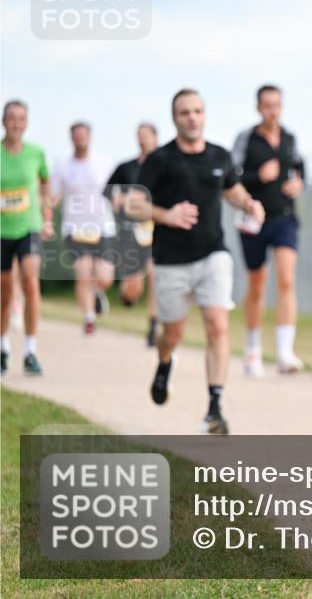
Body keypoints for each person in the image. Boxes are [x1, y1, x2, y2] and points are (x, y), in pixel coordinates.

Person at [131, 88, 264, 435]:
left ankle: (215, 407)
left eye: (197, 111)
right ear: (175, 119)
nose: (192, 117)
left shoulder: (219, 156)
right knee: (172, 334)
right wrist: (166, 213)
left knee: (217, 324)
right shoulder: (160, 160)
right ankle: (164, 364)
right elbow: (133, 205)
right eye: (185, 112)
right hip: (171, 260)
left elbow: (231, 190)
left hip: (213, 254)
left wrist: (249, 204)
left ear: (204, 115)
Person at [231, 85, 306, 377]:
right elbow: (232, 176)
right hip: (254, 220)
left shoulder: (289, 139)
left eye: (277, 105)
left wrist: (299, 184)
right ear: (258, 107)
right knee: (258, 284)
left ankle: (285, 353)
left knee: (286, 278)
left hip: (285, 218)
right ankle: (253, 350)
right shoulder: (246, 139)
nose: (272, 111)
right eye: (267, 106)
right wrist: (257, 176)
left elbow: (300, 168)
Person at [0, 100, 53, 375]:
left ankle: (31, 350)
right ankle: (3, 345)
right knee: (5, 292)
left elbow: (45, 183)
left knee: (31, 281)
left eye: (21, 118)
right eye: (11, 118)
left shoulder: (36, 153)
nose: (16, 123)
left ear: (27, 122)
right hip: (1, 230)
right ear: (3, 121)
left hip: (29, 226)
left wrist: (47, 217)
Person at [50, 122, 117, 335]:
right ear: (71, 139)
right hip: (74, 227)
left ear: (90, 137)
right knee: (83, 272)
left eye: (84, 135)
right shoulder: (62, 165)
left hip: (102, 226)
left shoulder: (104, 163)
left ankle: (97, 293)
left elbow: (114, 191)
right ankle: (89, 318)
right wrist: (46, 217)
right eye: (76, 136)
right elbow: (53, 196)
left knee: (105, 277)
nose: (80, 139)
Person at [107, 122, 159, 346]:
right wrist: (117, 199)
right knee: (133, 288)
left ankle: (154, 324)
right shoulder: (126, 167)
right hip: (132, 230)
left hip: (157, 227)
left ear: (155, 138)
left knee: (155, 275)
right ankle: (127, 293)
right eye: (139, 136)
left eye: (146, 136)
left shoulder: (165, 165)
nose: (142, 139)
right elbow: (107, 191)